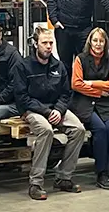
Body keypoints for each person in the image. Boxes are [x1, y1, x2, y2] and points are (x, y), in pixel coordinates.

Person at [12, 27, 88, 200]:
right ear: (35, 44)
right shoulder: (23, 66)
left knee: (78, 130)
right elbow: (22, 97)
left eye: (50, 43)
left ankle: (63, 177)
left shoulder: (58, 66)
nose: (48, 46)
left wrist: (59, 110)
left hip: (55, 108)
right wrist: (46, 112)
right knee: (46, 130)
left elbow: (66, 93)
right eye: (44, 43)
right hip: (33, 109)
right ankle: (36, 183)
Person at [70, 28, 109, 191]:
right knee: (100, 130)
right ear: (90, 42)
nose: (98, 44)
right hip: (84, 104)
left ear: (105, 43)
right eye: (95, 40)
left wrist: (91, 83)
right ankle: (102, 173)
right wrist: (99, 91)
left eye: (101, 41)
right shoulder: (80, 59)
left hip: (105, 105)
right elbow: (76, 84)